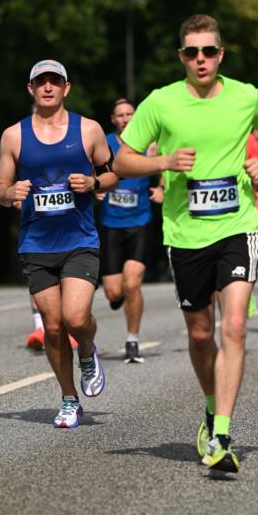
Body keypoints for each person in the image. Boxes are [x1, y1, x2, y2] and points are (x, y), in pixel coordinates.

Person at [114, 14, 258, 473]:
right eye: (192, 52)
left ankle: (223, 434)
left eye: (209, 51)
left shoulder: (246, 95)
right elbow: (122, 160)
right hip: (185, 233)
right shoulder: (161, 102)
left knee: (234, 326)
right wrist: (165, 161)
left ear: (221, 54)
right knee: (200, 333)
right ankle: (211, 407)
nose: (201, 59)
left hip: (238, 225)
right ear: (181, 57)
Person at [0, 60, 115, 427]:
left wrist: (93, 185)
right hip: (36, 243)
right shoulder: (13, 136)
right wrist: (9, 192)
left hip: (79, 239)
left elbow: (111, 176)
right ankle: (68, 398)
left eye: (55, 81)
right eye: (40, 82)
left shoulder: (89, 129)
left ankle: (89, 352)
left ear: (66, 88)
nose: (48, 87)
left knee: (76, 318)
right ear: (30, 89)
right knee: (53, 327)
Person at [97, 97, 162, 364]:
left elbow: (168, 169)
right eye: (120, 115)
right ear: (113, 119)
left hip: (140, 221)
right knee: (114, 292)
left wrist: (162, 188)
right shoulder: (103, 143)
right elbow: (90, 171)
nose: (125, 118)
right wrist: (96, 187)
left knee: (132, 282)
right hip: (110, 223)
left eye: (130, 114)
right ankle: (118, 296)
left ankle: (132, 341)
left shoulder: (151, 144)